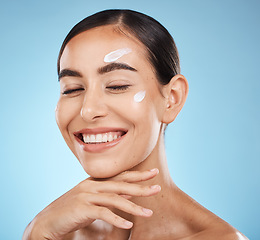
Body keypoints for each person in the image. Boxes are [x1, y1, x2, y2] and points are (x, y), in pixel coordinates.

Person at [23, 9, 248, 240]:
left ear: (172, 99)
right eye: (72, 89)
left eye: (117, 85)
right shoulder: (53, 232)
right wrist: (36, 233)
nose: (88, 110)